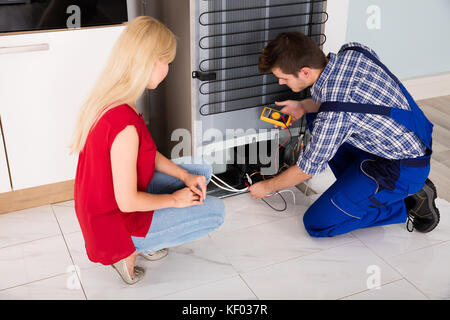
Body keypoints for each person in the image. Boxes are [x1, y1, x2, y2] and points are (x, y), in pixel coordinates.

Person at [69, 16, 225, 285]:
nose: (168, 69)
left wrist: (184, 177)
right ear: (149, 62)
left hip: (103, 205)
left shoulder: (113, 100)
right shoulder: (124, 124)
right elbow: (127, 202)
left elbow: (146, 153)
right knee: (216, 211)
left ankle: (152, 235)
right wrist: (176, 200)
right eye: (167, 62)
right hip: (113, 224)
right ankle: (129, 251)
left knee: (199, 171)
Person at [249, 31, 440, 237]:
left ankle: (405, 202)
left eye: (283, 78)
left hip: (401, 168)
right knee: (316, 116)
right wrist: (303, 106)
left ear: (305, 72)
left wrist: (267, 186)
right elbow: (354, 103)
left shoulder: (335, 113)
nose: (280, 83)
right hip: (400, 143)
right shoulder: (354, 51)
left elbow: (306, 169)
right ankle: (368, 191)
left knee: (317, 223)